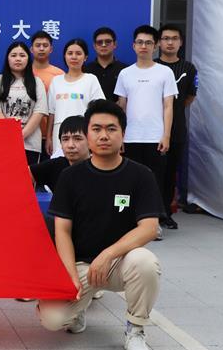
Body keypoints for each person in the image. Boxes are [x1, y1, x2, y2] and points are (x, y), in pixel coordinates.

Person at [37, 99, 162, 350]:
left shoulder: (141, 175)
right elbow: (62, 231)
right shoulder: (70, 177)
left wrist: (108, 255)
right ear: (88, 134)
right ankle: (79, 309)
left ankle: (135, 331)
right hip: (81, 264)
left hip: (119, 263)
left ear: (123, 134)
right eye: (96, 129)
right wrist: (71, 276)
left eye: (111, 129)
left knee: (145, 262)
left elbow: (149, 228)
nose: (104, 135)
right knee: (52, 320)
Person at [114, 25, 177, 237]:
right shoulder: (125, 74)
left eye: (148, 42)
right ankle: (126, 222)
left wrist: (166, 135)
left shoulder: (165, 72)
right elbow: (121, 107)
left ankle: (153, 224)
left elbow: (168, 106)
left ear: (155, 46)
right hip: (130, 138)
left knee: (154, 183)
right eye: (140, 42)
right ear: (133, 45)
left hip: (155, 137)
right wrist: (120, 136)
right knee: (127, 181)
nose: (144, 46)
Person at [156, 24, 198, 229]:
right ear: (159, 42)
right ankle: (150, 214)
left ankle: (165, 213)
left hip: (177, 129)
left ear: (181, 42)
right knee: (153, 173)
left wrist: (174, 110)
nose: (170, 42)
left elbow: (190, 97)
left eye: (174, 38)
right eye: (166, 38)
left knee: (170, 172)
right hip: (153, 128)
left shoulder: (188, 69)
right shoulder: (152, 66)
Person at [0, 42, 49, 165]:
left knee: (28, 176)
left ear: (28, 59)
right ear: (7, 59)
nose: (18, 59)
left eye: (22, 55)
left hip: (31, 143)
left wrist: (21, 135)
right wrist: (11, 134)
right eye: (13, 55)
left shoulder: (37, 82)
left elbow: (39, 112)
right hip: (4, 140)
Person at [46, 39, 105, 157]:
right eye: (70, 53)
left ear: (85, 57)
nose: (74, 57)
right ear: (65, 56)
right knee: (60, 164)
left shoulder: (91, 79)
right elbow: (51, 113)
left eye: (78, 53)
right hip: (60, 134)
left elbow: (99, 109)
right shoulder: (56, 81)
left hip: (82, 132)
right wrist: (48, 137)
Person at [30, 115, 89, 191]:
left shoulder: (99, 167)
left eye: (77, 139)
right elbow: (21, 176)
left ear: (90, 141)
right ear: (60, 143)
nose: (70, 145)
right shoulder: (55, 165)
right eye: (65, 139)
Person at [84, 27, 128, 103]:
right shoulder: (85, 70)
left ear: (115, 44)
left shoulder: (125, 70)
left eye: (108, 41)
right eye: (99, 42)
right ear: (94, 46)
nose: (103, 45)